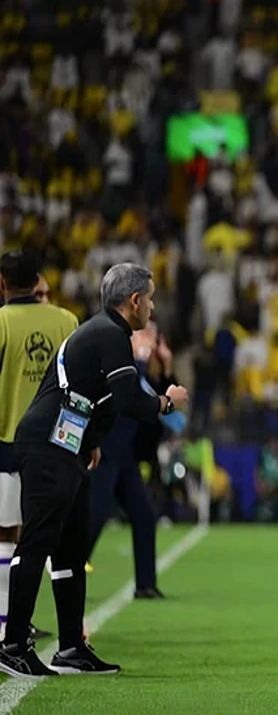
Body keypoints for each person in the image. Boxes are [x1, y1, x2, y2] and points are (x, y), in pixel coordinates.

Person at [0, 263, 189, 678]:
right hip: (48, 446)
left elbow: (89, 394)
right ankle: (12, 645)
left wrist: (91, 442)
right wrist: (167, 401)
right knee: (36, 542)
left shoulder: (103, 331)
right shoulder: (110, 334)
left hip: (67, 446)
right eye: (150, 299)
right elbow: (128, 399)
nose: (152, 307)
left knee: (70, 547)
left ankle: (71, 647)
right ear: (134, 301)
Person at [0, 253, 78, 642]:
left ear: (2, 283)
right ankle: (68, 634)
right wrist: (85, 438)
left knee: (8, 534)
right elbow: (80, 385)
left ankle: (7, 624)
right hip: (58, 443)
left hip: (8, 442)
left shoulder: (1, 322)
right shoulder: (66, 321)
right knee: (52, 537)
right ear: (36, 282)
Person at [85, 324, 180, 599]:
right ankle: (68, 568)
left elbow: (170, 412)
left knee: (143, 516)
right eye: (145, 334)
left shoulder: (145, 374)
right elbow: (125, 393)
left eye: (154, 336)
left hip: (125, 455)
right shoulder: (117, 360)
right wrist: (139, 361)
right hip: (105, 450)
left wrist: (166, 368)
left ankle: (145, 584)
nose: (150, 341)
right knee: (96, 515)